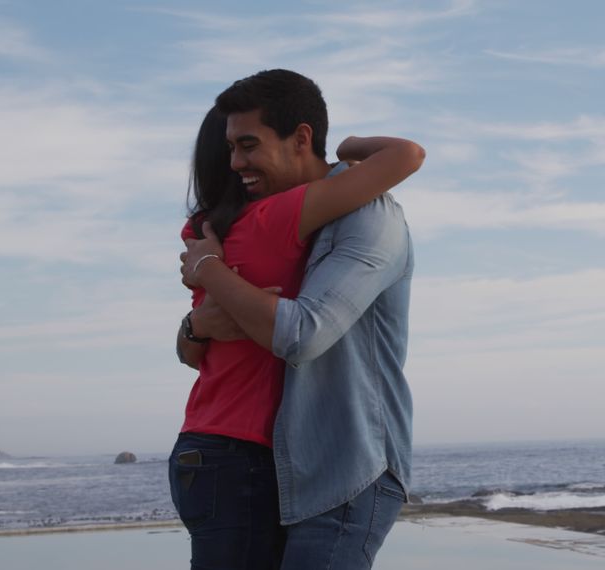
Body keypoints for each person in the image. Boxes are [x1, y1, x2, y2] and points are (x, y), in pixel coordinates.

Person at [172, 70, 424, 570]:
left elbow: (295, 333)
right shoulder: (267, 222)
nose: (238, 163)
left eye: (247, 145)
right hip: (282, 462)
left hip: (345, 462)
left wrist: (205, 275)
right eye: (231, 150)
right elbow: (407, 155)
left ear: (301, 138)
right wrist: (200, 317)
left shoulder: (359, 215)